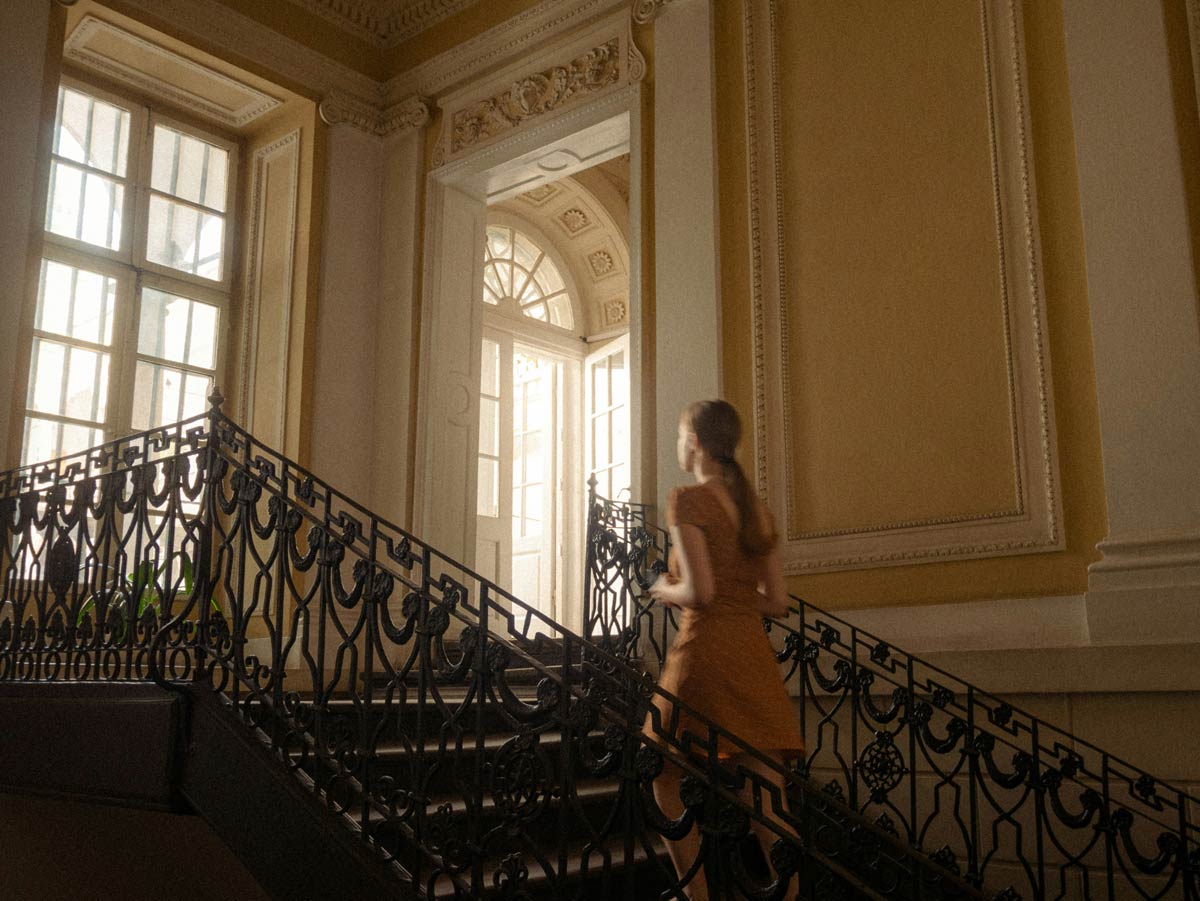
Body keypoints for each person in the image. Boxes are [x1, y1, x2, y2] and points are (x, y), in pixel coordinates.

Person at [643, 400, 803, 900]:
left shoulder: (687, 500)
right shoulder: (756, 509)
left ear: (694, 442)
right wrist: (735, 597)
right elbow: (777, 602)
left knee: (660, 770)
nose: (678, 445)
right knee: (767, 799)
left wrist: (662, 587)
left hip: (705, 651)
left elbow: (701, 593)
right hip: (751, 653)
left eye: (679, 436)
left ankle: (699, 897)